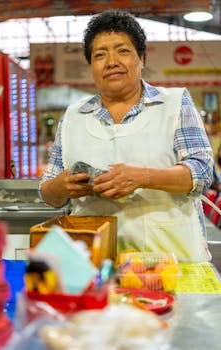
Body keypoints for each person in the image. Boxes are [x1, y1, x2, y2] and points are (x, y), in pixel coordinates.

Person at [39, 10, 214, 262]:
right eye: (100, 55)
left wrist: (142, 177)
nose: (111, 62)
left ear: (141, 58)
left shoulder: (175, 103)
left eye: (122, 51)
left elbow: (201, 172)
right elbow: (48, 192)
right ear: (91, 66)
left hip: (171, 260)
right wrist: (61, 186)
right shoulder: (73, 116)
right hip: (94, 263)